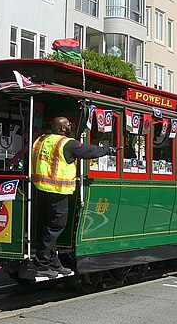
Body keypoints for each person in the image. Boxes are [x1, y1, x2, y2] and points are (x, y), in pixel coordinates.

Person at [31, 116, 119, 278]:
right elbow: (89, 151)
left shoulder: (41, 140)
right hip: (58, 192)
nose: (71, 125)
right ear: (62, 128)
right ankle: (42, 264)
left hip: (40, 191)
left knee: (48, 228)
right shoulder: (67, 143)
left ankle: (54, 263)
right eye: (69, 124)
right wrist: (109, 150)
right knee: (54, 228)